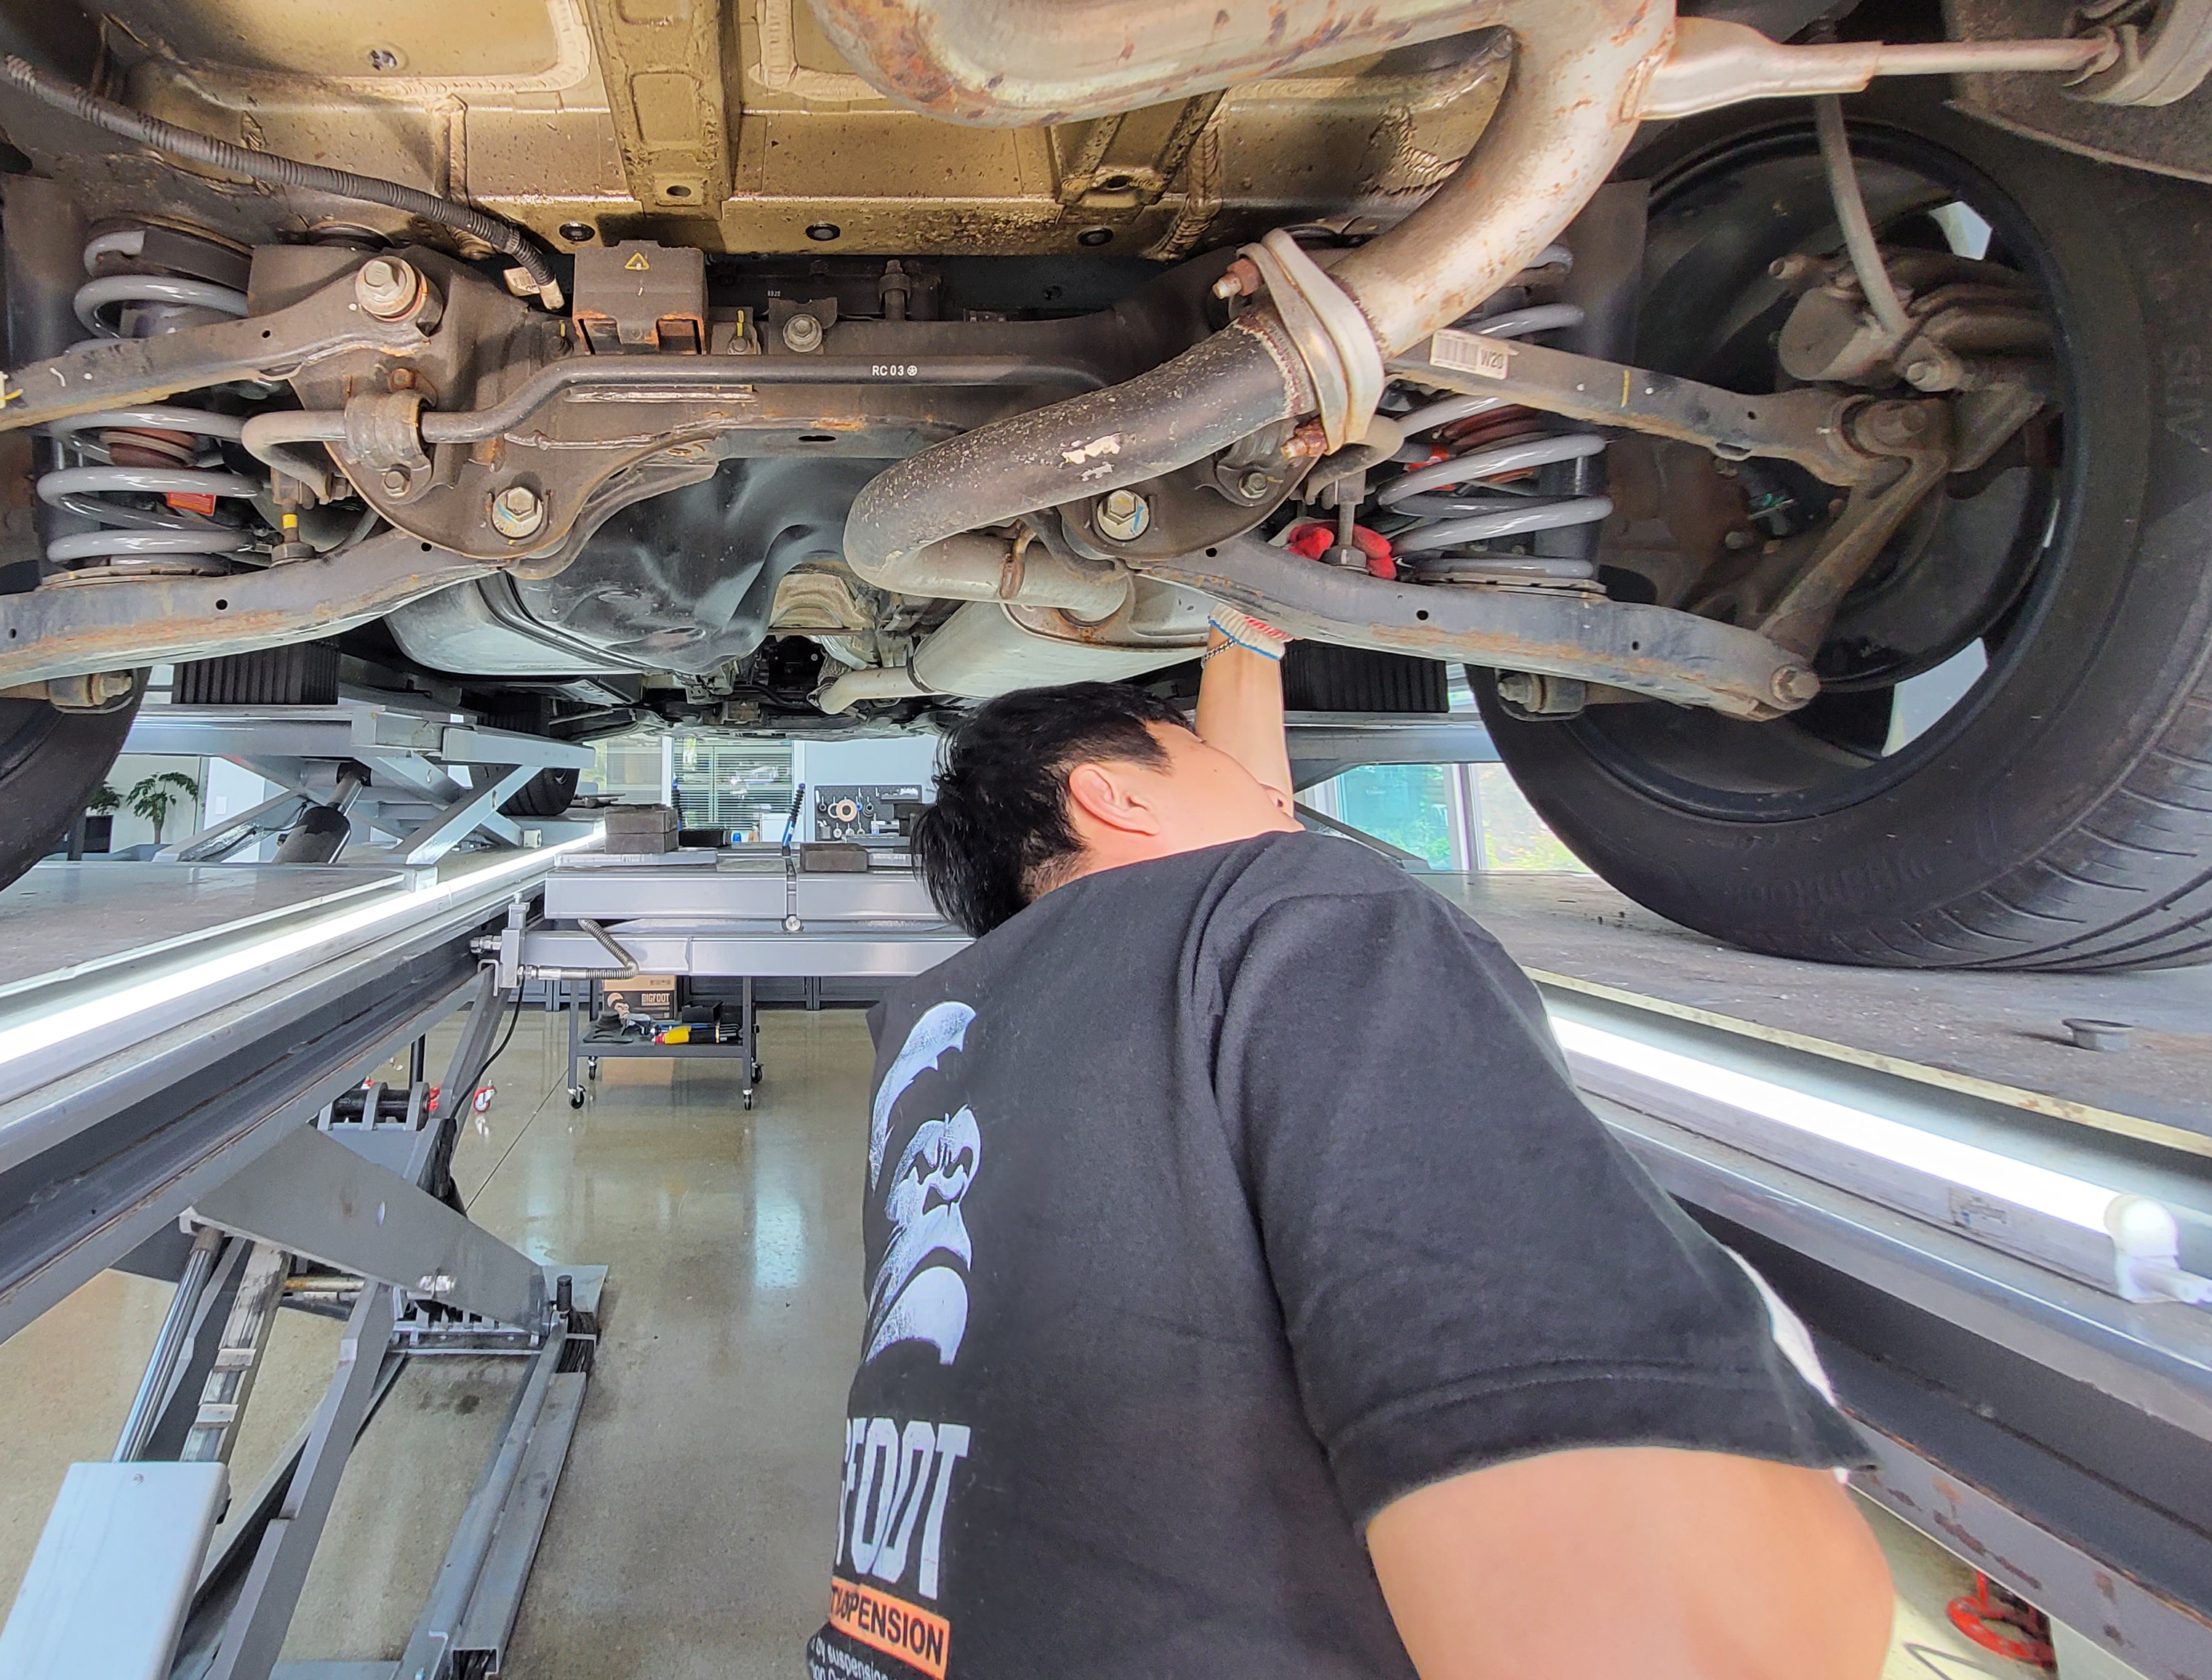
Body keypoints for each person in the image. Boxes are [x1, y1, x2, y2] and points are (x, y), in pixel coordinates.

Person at [810, 609, 1893, 1680]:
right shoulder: (1300, 914)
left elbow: (1248, 836)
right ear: (1115, 795)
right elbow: (1661, 1632)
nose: (1274, 796)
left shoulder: (939, 1040)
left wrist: (1246, 635)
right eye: (1207, 755)